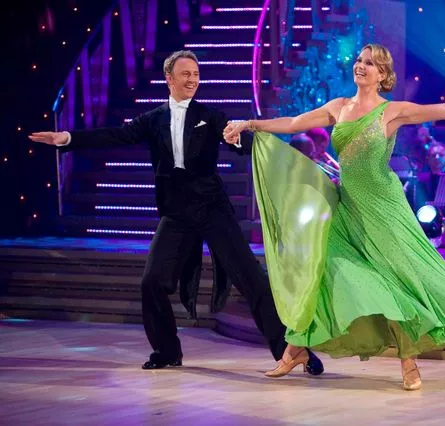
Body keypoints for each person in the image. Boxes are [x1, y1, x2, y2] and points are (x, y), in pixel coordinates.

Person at [224, 44, 445, 390]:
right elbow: (294, 123)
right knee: (324, 271)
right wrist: (249, 124)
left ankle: (408, 361)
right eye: (359, 60)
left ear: (382, 74)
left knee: (395, 280)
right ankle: (294, 350)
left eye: (369, 63)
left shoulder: (391, 111)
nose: (361, 66)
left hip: (384, 208)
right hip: (348, 208)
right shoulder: (339, 107)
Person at [28, 50, 324, 374]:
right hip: (176, 214)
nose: (192, 80)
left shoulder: (210, 115)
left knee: (252, 279)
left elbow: (243, 143)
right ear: (169, 78)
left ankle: (291, 350)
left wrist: (248, 143)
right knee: (152, 282)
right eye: (186, 74)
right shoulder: (153, 119)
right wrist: (67, 138)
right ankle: (166, 351)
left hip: (212, 209)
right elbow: (115, 134)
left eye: (196, 74)